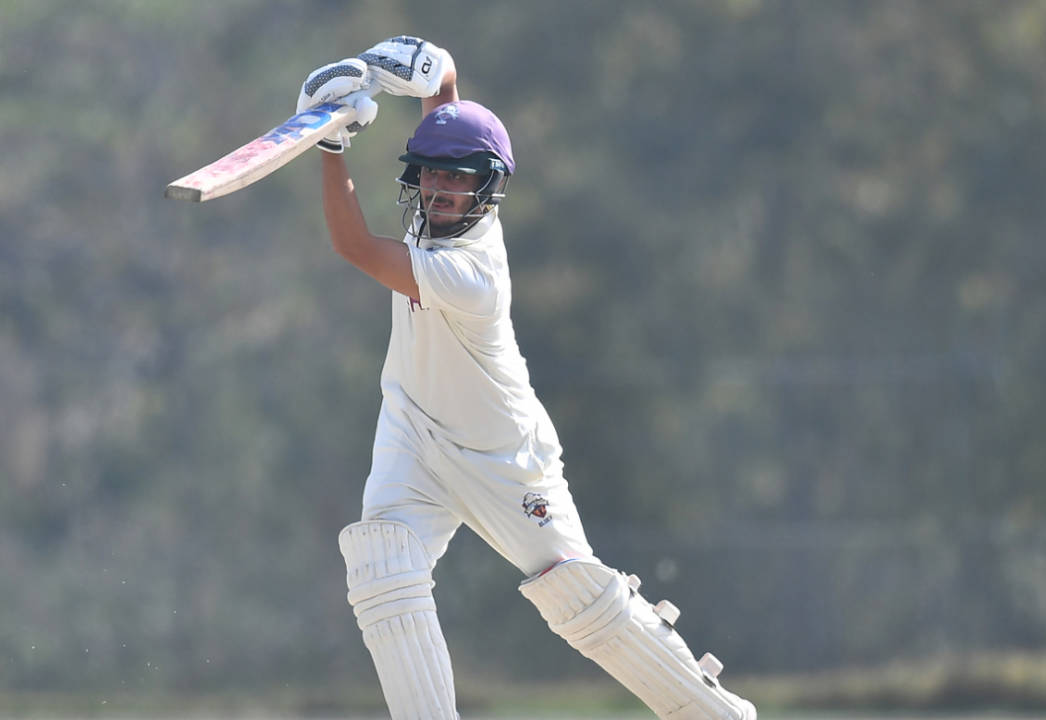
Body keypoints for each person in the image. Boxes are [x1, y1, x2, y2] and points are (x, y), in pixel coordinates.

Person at [296, 35, 757, 720]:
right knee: (380, 566)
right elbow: (444, 109)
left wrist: (331, 146)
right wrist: (437, 66)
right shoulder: (431, 212)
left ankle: (718, 716)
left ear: (487, 187)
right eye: (430, 173)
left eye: (458, 179)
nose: (441, 190)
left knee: (580, 597)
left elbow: (353, 246)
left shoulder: (468, 271)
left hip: (504, 458)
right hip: (414, 434)